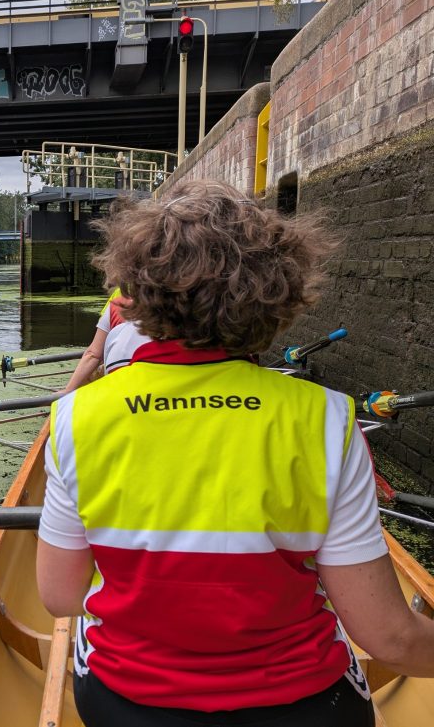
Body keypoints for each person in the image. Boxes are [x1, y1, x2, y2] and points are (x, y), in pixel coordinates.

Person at [37, 180, 434, 727]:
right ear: (277, 291)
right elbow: (387, 636)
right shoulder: (329, 418)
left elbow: (60, 597)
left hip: (128, 705)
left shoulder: (74, 419)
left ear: (136, 292)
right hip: (301, 708)